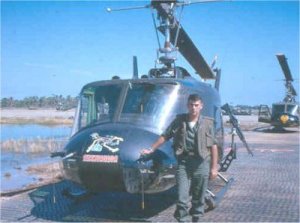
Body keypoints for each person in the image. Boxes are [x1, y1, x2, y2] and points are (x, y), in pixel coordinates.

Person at [141, 94, 218, 222]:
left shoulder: (208, 123)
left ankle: (196, 218)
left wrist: (214, 168)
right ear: (187, 106)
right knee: (182, 197)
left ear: (201, 106)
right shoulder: (179, 121)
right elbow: (165, 136)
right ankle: (183, 220)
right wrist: (151, 149)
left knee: (198, 197)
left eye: (196, 105)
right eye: (191, 105)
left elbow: (213, 146)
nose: (193, 108)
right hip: (184, 163)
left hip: (202, 163)